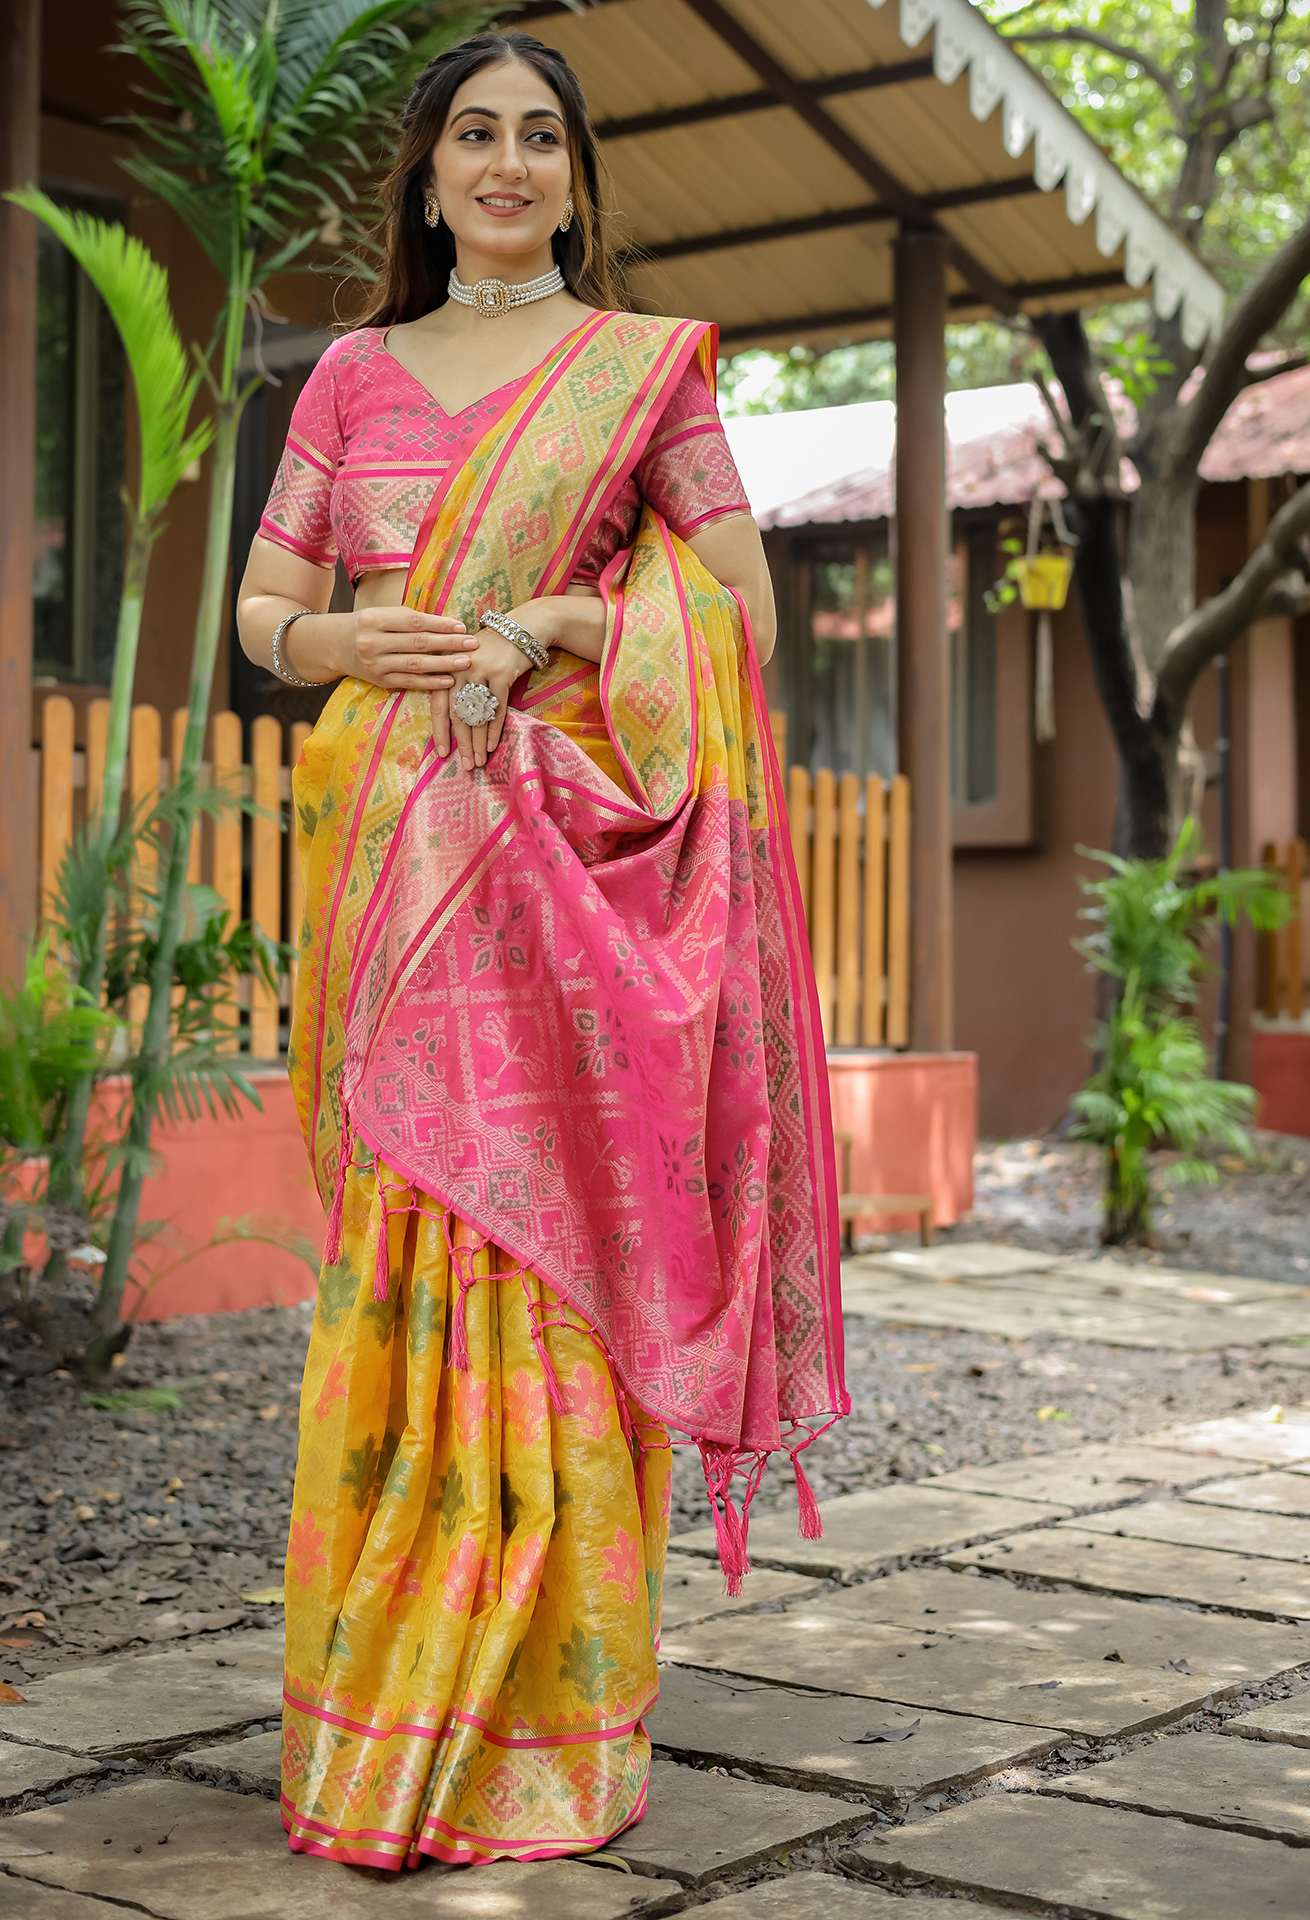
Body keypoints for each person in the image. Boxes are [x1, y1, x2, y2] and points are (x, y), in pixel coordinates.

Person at [235, 27, 849, 1873]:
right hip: (388, 855)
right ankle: (380, 1716)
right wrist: (353, 649)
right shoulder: (351, 372)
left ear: (575, 177)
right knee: (414, 1258)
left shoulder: (635, 373)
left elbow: (734, 611)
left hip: (556, 875)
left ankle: (536, 1724)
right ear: (422, 175)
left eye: (538, 139)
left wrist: (555, 616)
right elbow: (269, 611)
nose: (506, 165)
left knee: (552, 1253)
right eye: (472, 136)